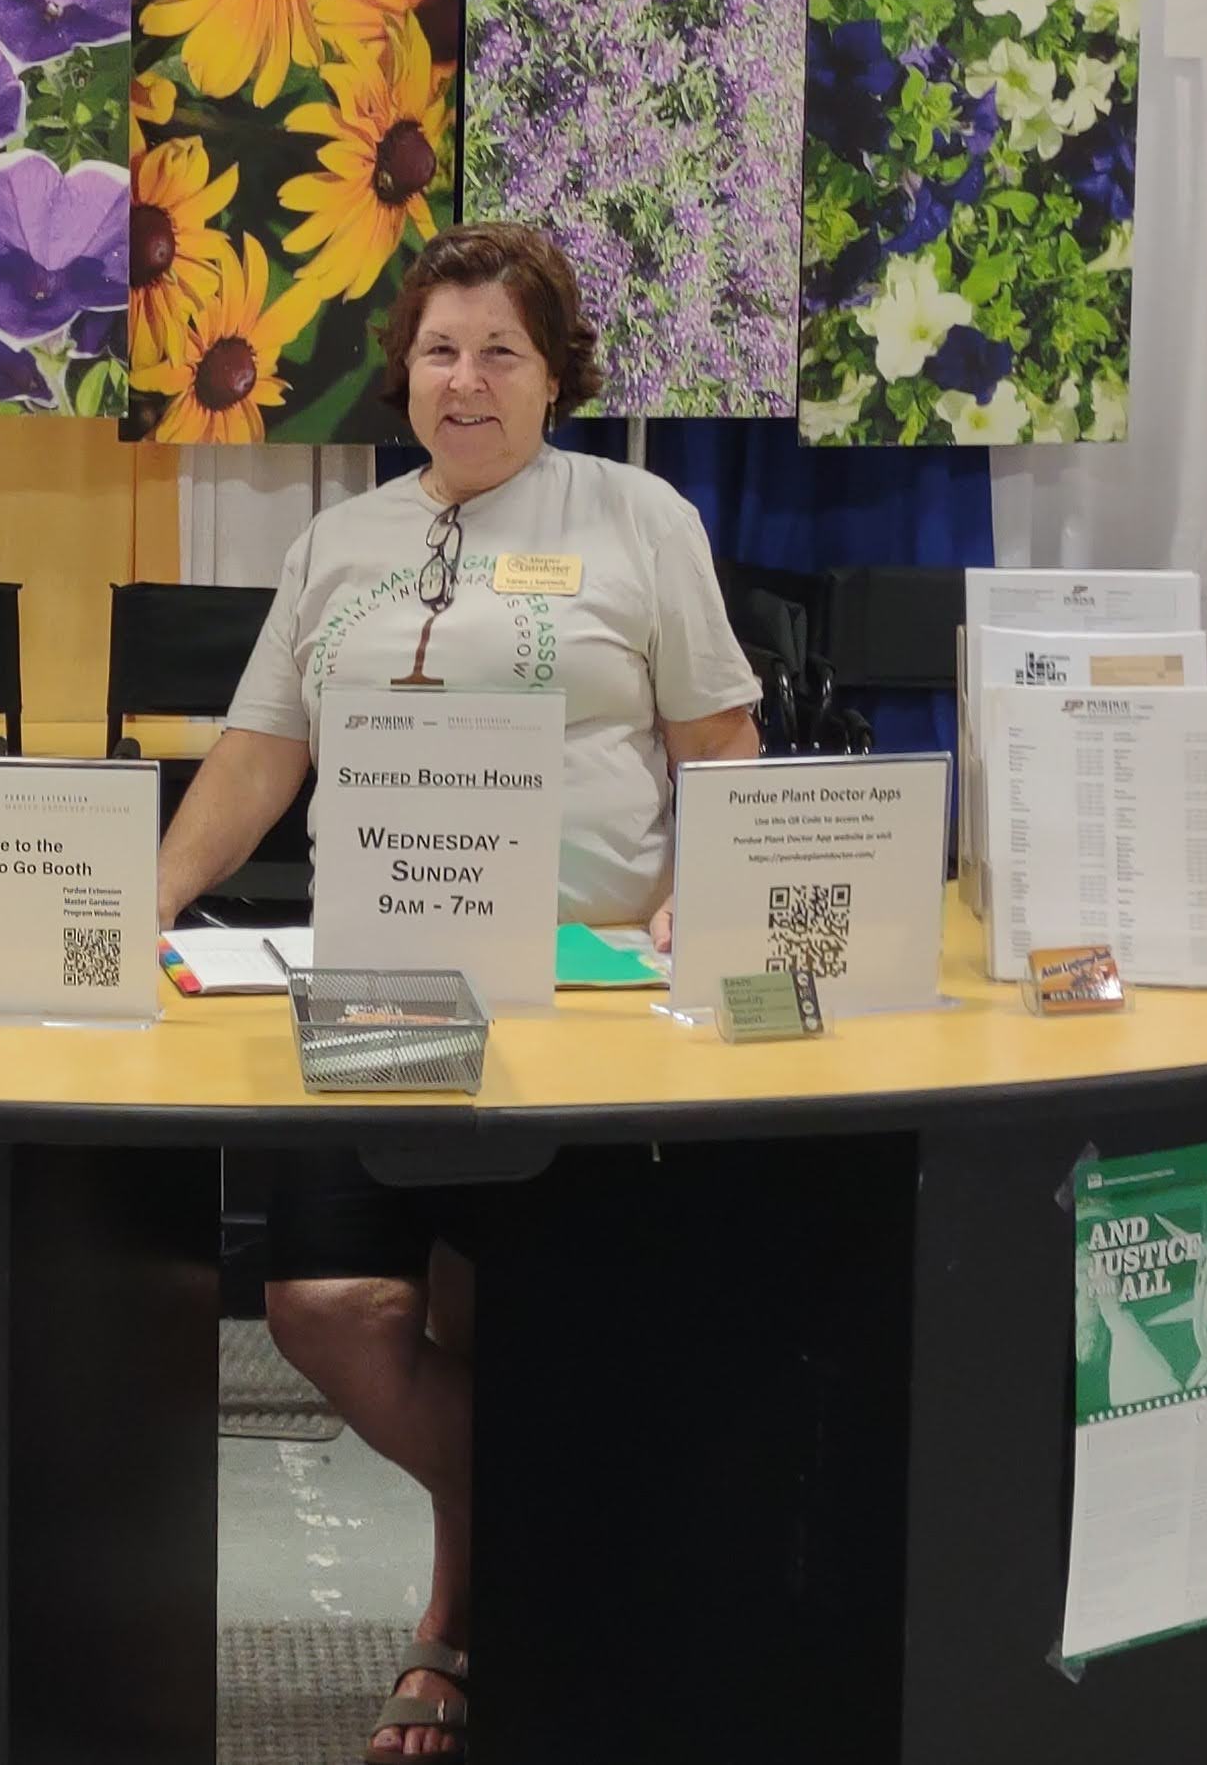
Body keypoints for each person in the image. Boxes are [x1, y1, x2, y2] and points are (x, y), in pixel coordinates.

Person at [153, 222, 761, 1762]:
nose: (466, 377)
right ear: (404, 370)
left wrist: (710, 890)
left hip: (586, 991)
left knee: (515, 1315)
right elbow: (258, 753)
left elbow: (720, 749)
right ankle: (574, 1538)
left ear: (556, 372)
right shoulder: (340, 544)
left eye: (501, 349)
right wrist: (135, 900)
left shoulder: (641, 517)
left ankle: (453, 1627)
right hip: (383, 977)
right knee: (327, 1303)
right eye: (439, 348)